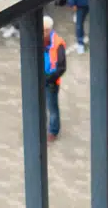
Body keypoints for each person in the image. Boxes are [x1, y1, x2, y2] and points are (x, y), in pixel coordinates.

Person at [41, 15, 66, 143]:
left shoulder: (58, 43)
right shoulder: (38, 40)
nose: (42, 33)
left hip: (51, 82)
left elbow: (62, 67)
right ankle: (40, 126)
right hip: (39, 79)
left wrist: (48, 79)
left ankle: (53, 131)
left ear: (49, 30)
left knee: (52, 107)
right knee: (40, 105)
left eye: (44, 30)